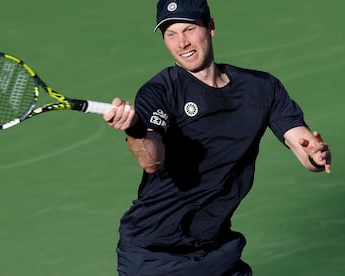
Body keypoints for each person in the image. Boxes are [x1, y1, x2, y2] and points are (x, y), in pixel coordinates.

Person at [103, 0, 332, 275]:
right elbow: (152, 159)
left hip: (217, 249)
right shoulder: (160, 92)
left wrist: (315, 155)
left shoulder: (261, 88)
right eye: (171, 34)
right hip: (154, 256)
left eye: (189, 29)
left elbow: (303, 146)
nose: (182, 43)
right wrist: (135, 130)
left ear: (210, 27)